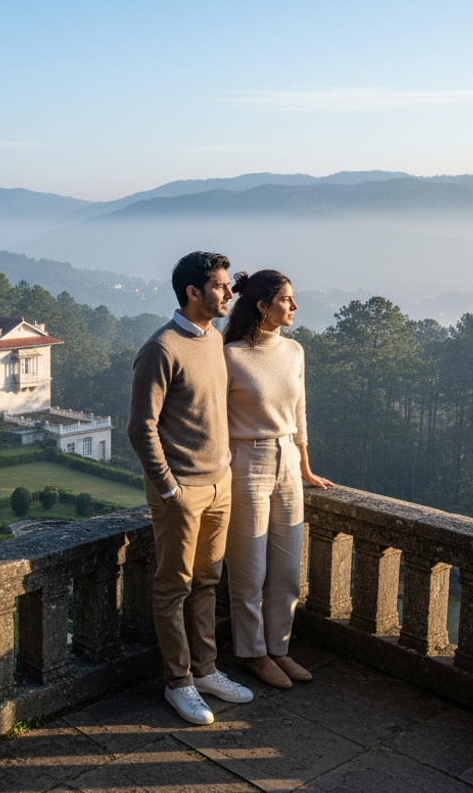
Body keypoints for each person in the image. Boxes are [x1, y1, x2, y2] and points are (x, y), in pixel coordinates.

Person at [128, 251, 254, 725]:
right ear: (193, 293)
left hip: (220, 486)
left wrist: (224, 475)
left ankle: (204, 670)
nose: (228, 293)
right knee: (173, 588)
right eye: (221, 286)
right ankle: (177, 683)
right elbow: (140, 428)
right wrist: (169, 490)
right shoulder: (161, 349)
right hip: (182, 493)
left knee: (206, 583)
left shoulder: (214, 338)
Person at [222, 269, 333, 689]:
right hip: (244, 461)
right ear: (262, 305)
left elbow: (299, 411)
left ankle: (279, 648)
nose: (295, 305)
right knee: (249, 569)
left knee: (286, 568)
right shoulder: (229, 355)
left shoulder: (294, 351)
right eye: (287, 299)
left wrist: (304, 466)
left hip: (286, 459)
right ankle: (253, 653)